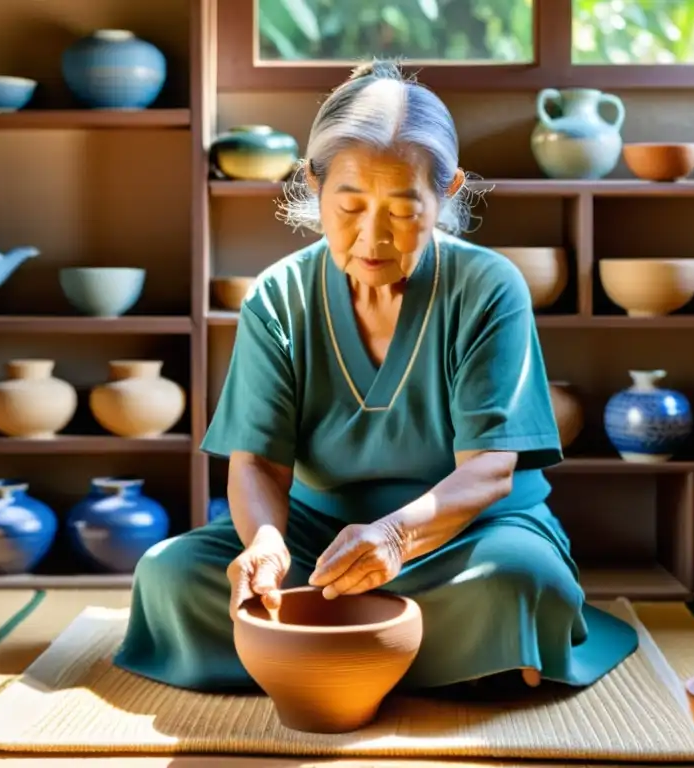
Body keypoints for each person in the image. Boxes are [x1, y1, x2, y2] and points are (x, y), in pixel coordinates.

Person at [115, 59, 638, 693]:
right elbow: (256, 464)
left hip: (463, 539)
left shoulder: (488, 287)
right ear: (312, 183)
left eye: (403, 209)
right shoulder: (278, 296)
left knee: (522, 579)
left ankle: (318, 654)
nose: (373, 236)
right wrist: (266, 546)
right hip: (315, 543)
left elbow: (491, 468)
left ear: (446, 193)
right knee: (169, 574)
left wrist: (394, 537)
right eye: (351, 204)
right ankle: (442, 658)